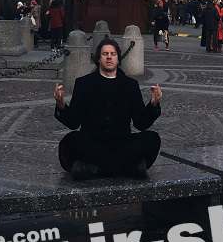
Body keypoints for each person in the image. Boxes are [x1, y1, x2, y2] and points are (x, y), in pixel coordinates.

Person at [54, 39, 162, 180]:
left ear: (118, 59)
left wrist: (153, 104)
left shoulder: (130, 85)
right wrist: (61, 104)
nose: (109, 57)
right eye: (105, 54)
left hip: (122, 143)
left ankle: (96, 169)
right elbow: (74, 122)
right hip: (93, 143)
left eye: (113, 54)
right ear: (98, 58)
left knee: (152, 138)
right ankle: (127, 168)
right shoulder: (84, 83)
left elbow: (140, 124)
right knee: (71, 140)